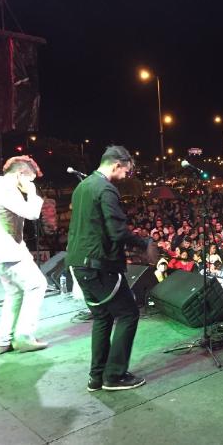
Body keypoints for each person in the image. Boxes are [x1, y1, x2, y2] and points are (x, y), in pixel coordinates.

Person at [67, 146, 149, 392]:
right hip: (99, 266)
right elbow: (117, 231)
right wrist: (144, 244)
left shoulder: (83, 186)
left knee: (103, 317)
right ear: (117, 165)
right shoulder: (106, 189)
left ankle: (96, 377)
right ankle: (114, 376)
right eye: (127, 171)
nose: (126, 176)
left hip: (79, 264)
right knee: (128, 314)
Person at [0, 156, 47, 354]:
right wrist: (32, 193)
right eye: (30, 180)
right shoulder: (6, 189)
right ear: (20, 174)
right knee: (37, 285)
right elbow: (32, 213)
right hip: (6, 252)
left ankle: (4, 340)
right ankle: (24, 337)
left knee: (15, 293)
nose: (31, 184)